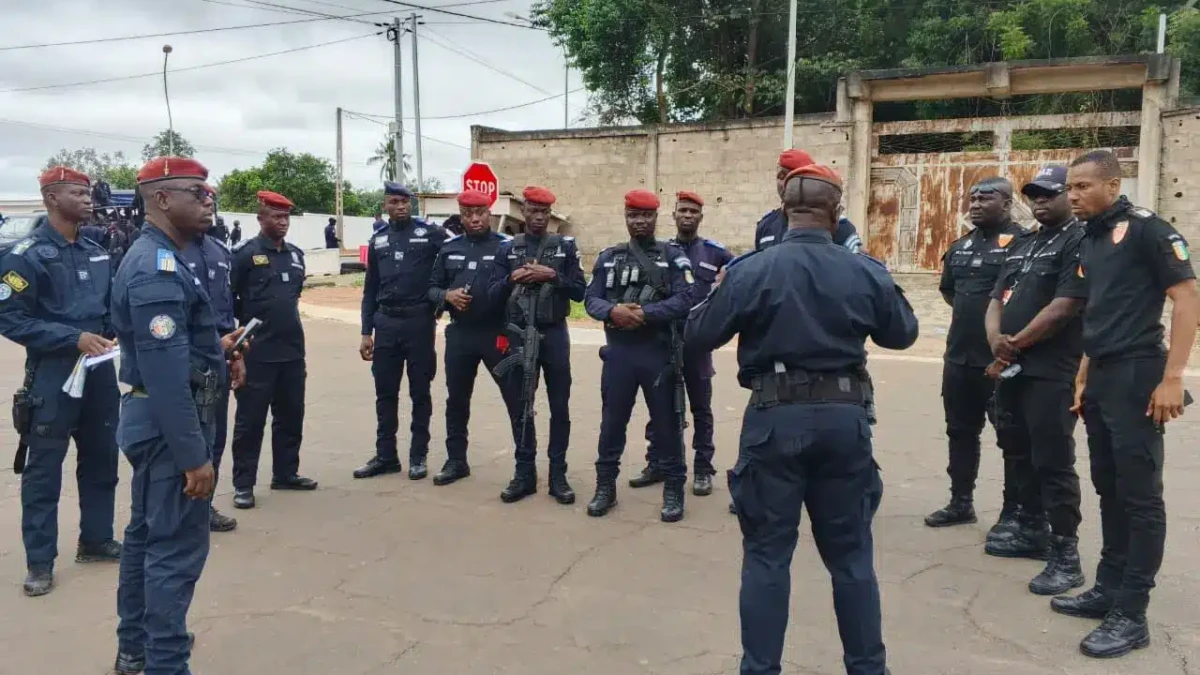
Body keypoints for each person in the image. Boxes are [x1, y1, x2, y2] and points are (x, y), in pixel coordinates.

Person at [686, 163, 918, 675]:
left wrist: (723, 287)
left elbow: (697, 336)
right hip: (844, 421)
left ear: (785, 209)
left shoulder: (751, 268)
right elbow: (903, 335)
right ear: (836, 212)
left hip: (774, 419)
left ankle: (760, 669)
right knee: (852, 559)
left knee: (768, 557)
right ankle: (867, 668)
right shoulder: (863, 270)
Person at [1052, 150, 1200, 658]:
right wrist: (1083, 373)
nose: (1073, 196)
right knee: (1108, 486)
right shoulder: (1089, 239)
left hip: (1140, 372)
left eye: (1083, 187)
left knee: (1140, 496)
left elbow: (1187, 297)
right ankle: (1108, 589)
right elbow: (1100, 309)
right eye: (1069, 187)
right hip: (1101, 376)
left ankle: (1132, 612)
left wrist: (1172, 376)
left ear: (1113, 185)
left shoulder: (1148, 230)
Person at [110, 156, 247, 675]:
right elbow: (165, 376)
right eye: (196, 191)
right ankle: (165, 663)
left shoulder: (170, 256)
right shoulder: (156, 266)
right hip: (171, 427)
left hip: (163, 417)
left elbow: (174, 348)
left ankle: (136, 650)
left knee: (147, 536)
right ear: (163, 199)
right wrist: (195, 457)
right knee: (174, 552)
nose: (208, 199)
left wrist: (215, 343)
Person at [0, 166, 122, 597]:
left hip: (100, 372)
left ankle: (96, 538)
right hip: (53, 376)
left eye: (88, 193)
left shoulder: (96, 250)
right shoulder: (25, 256)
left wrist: (113, 332)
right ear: (52, 198)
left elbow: (108, 307)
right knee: (43, 472)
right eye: (77, 192)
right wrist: (72, 338)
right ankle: (39, 562)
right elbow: (10, 317)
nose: (88, 200)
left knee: (102, 458)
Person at [983, 165, 1087, 590]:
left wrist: (1015, 342)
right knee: (1018, 449)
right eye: (1035, 195)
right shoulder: (1023, 243)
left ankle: (1066, 554)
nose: (1040, 201)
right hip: (1012, 367)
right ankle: (1031, 530)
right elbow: (996, 297)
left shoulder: (1079, 240)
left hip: (1052, 370)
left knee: (1052, 460)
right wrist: (995, 338)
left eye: (1050, 193)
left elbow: (1067, 304)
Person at [925, 177, 1029, 540]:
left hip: (1001, 361)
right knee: (960, 431)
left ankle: (1013, 511)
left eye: (987, 197)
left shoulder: (1023, 244)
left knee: (1011, 437)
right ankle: (960, 502)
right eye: (973, 197)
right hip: (959, 358)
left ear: (1007, 202)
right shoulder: (960, 246)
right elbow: (950, 291)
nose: (977, 203)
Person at [583, 189, 695, 522]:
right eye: (634, 215)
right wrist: (613, 311)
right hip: (619, 355)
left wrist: (645, 313)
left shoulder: (672, 256)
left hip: (658, 354)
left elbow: (686, 298)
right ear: (626, 217)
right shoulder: (608, 257)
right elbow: (591, 299)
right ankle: (605, 488)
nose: (640, 221)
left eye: (646, 215)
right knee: (611, 424)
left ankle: (674, 489)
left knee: (667, 425)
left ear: (656, 217)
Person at [629, 190, 733, 497]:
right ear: (673, 216)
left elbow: (742, 271)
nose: (687, 216)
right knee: (660, 407)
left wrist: (730, 275)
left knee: (701, 409)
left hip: (697, 343)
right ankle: (657, 462)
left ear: (701, 217)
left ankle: (702, 469)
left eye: (693, 212)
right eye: (682, 211)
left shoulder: (715, 253)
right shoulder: (662, 250)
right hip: (662, 339)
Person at [487, 186, 586, 504]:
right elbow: (491, 294)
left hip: (554, 333)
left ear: (551, 215)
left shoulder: (565, 248)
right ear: (524, 211)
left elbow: (580, 291)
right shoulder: (507, 248)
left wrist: (552, 275)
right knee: (521, 406)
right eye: (533, 210)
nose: (538, 216)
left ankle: (558, 474)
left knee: (560, 406)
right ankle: (524, 472)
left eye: (544, 211)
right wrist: (512, 279)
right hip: (518, 334)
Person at [427, 190, 526, 488]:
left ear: (490, 212)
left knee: (517, 400)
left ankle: (524, 467)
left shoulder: (506, 248)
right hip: (461, 335)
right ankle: (456, 460)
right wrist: (447, 296)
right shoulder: (449, 248)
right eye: (468, 213)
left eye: (480, 212)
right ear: (460, 213)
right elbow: (431, 288)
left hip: (499, 335)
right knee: (456, 400)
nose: (474, 218)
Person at [228, 190, 318, 509]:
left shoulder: (295, 255)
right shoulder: (243, 254)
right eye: (275, 216)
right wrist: (235, 349)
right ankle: (243, 484)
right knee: (250, 422)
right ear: (260, 218)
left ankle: (285, 473)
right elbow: (229, 302)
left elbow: (292, 297)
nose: (282, 223)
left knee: (291, 415)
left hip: (292, 351)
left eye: (285, 217)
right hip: (258, 352)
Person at [354, 182, 445, 481]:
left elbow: (449, 262)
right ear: (386, 206)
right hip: (386, 325)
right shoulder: (379, 240)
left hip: (419, 323)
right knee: (385, 394)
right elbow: (370, 290)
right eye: (395, 201)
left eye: (406, 201)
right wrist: (366, 331)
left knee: (420, 392)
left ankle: (418, 456)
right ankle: (386, 456)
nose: (402, 206)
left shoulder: (430, 234)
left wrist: (442, 300)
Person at [178, 207, 241, 533]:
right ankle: (179, 511)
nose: (205, 209)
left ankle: (204, 506)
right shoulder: (170, 251)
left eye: (210, 204)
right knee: (183, 437)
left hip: (219, 357)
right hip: (181, 358)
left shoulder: (220, 251)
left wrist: (236, 355)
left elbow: (226, 308)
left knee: (214, 437)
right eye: (197, 200)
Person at [754, 149, 864, 253]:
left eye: (794, 177)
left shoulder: (840, 226)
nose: (785, 183)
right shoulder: (766, 225)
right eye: (781, 176)